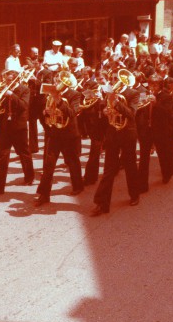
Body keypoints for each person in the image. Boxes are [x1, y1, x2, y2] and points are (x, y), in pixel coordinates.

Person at [90, 71, 140, 216]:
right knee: (108, 170)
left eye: (117, 79)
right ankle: (102, 203)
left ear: (125, 79)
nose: (114, 81)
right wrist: (106, 111)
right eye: (113, 79)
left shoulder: (133, 93)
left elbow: (131, 114)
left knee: (130, 166)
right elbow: (108, 112)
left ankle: (134, 195)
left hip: (128, 134)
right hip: (113, 134)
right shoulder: (109, 94)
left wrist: (117, 103)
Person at [34, 71, 84, 206]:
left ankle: (78, 185)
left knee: (72, 161)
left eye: (59, 81)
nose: (56, 83)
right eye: (56, 81)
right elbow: (47, 112)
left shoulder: (75, 94)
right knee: (49, 164)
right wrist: (46, 112)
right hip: (55, 133)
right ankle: (44, 195)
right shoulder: (51, 95)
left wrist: (58, 100)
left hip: (69, 134)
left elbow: (72, 113)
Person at [0, 69, 34, 195]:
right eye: (6, 80)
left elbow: (23, 105)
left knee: (24, 153)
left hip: (19, 127)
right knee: (2, 156)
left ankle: (29, 177)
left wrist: (11, 94)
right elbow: (1, 106)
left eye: (10, 80)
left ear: (16, 79)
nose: (8, 82)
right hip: (6, 127)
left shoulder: (25, 90)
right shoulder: (5, 90)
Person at [27, 57, 52, 154]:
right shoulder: (32, 72)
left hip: (42, 101)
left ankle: (50, 142)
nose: (34, 65)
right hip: (32, 101)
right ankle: (33, 147)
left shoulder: (47, 73)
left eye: (36, 63)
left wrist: (36, 80)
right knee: (32, 123)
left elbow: (47, 86)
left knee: (45, 122)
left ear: (41, 63)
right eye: (33, 63)